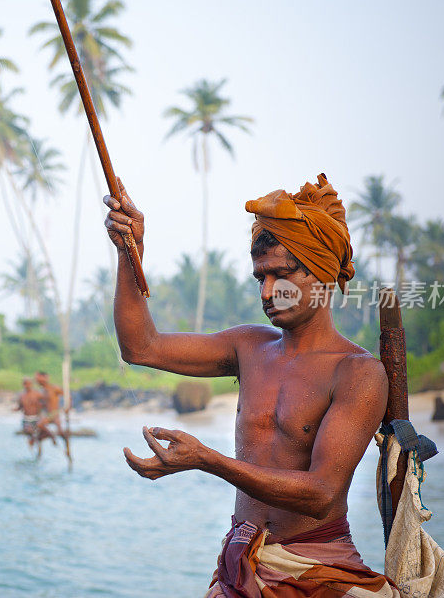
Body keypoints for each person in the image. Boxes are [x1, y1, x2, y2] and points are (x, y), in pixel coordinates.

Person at [104, 174, 400, 596]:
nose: (267, 291)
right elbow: (141, 347)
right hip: (240, 565)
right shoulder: (249, 346)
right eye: (259, 277)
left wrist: (209, 460)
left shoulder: (357, 373)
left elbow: (321, 492)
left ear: (321, 272)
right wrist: (129, 251)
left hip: (317, 569)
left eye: (280, 274)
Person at [14, 378, 44, 449]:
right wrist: (15, 409)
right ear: (23, 385)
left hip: (36, 417)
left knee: (38, 429)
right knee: (28, 431)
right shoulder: (21, 396)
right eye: (25, 384)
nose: (27, 386)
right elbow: (20, 407)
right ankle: (33, 440)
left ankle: (35, 441)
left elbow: (43, 403)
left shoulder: (37, 394)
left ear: (31, 384)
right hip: (26, 418)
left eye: (29, 384)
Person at [35, 371, 63, 442]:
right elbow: (41, 404)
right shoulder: (41, 390)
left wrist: (67, 407)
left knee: (40, 425)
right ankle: (50, 436)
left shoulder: (54, 388)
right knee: (38, 427)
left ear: (45, 378)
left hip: (54, 413)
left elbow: (66, 395)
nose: (37, 380)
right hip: (45, 413)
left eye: (39, 378)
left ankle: (52, 436)